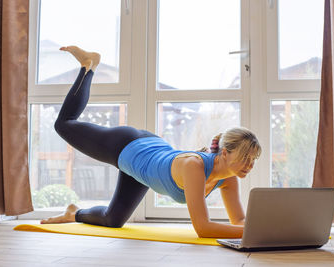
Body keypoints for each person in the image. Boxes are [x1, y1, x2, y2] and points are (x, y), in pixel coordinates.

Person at [40, 46, 262, 238]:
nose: (249, 165)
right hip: (128, 145)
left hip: (145, 165)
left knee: (113, 219)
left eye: (253, 160)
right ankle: (89, 65)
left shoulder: (229, 179)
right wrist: (251, 230)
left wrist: (266, 231)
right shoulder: (194, 166)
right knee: (64, 125)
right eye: (245, 158)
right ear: (224, 153)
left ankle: (73, 213)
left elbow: (240, 221)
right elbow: (203, 228)